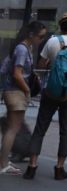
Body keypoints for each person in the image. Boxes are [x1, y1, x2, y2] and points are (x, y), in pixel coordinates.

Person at [25, 11, 67, 180]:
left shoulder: (52, 41)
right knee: (65, 130)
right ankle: (59, 168)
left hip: (50, 92)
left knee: (40, 128)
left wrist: (51, 64)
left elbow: (41, 65)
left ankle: (32, 166)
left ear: (62, 26)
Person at [0, 20, 48, 174]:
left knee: (12, 128)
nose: (41, 40)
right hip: (16, 92)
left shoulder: (23, 48)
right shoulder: (22, 49)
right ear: (31, 34)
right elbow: (17, 74)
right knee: (13, 129)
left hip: (13, 91)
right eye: (40, 37)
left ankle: (4, 161)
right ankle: (3, 164)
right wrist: (27, 90)